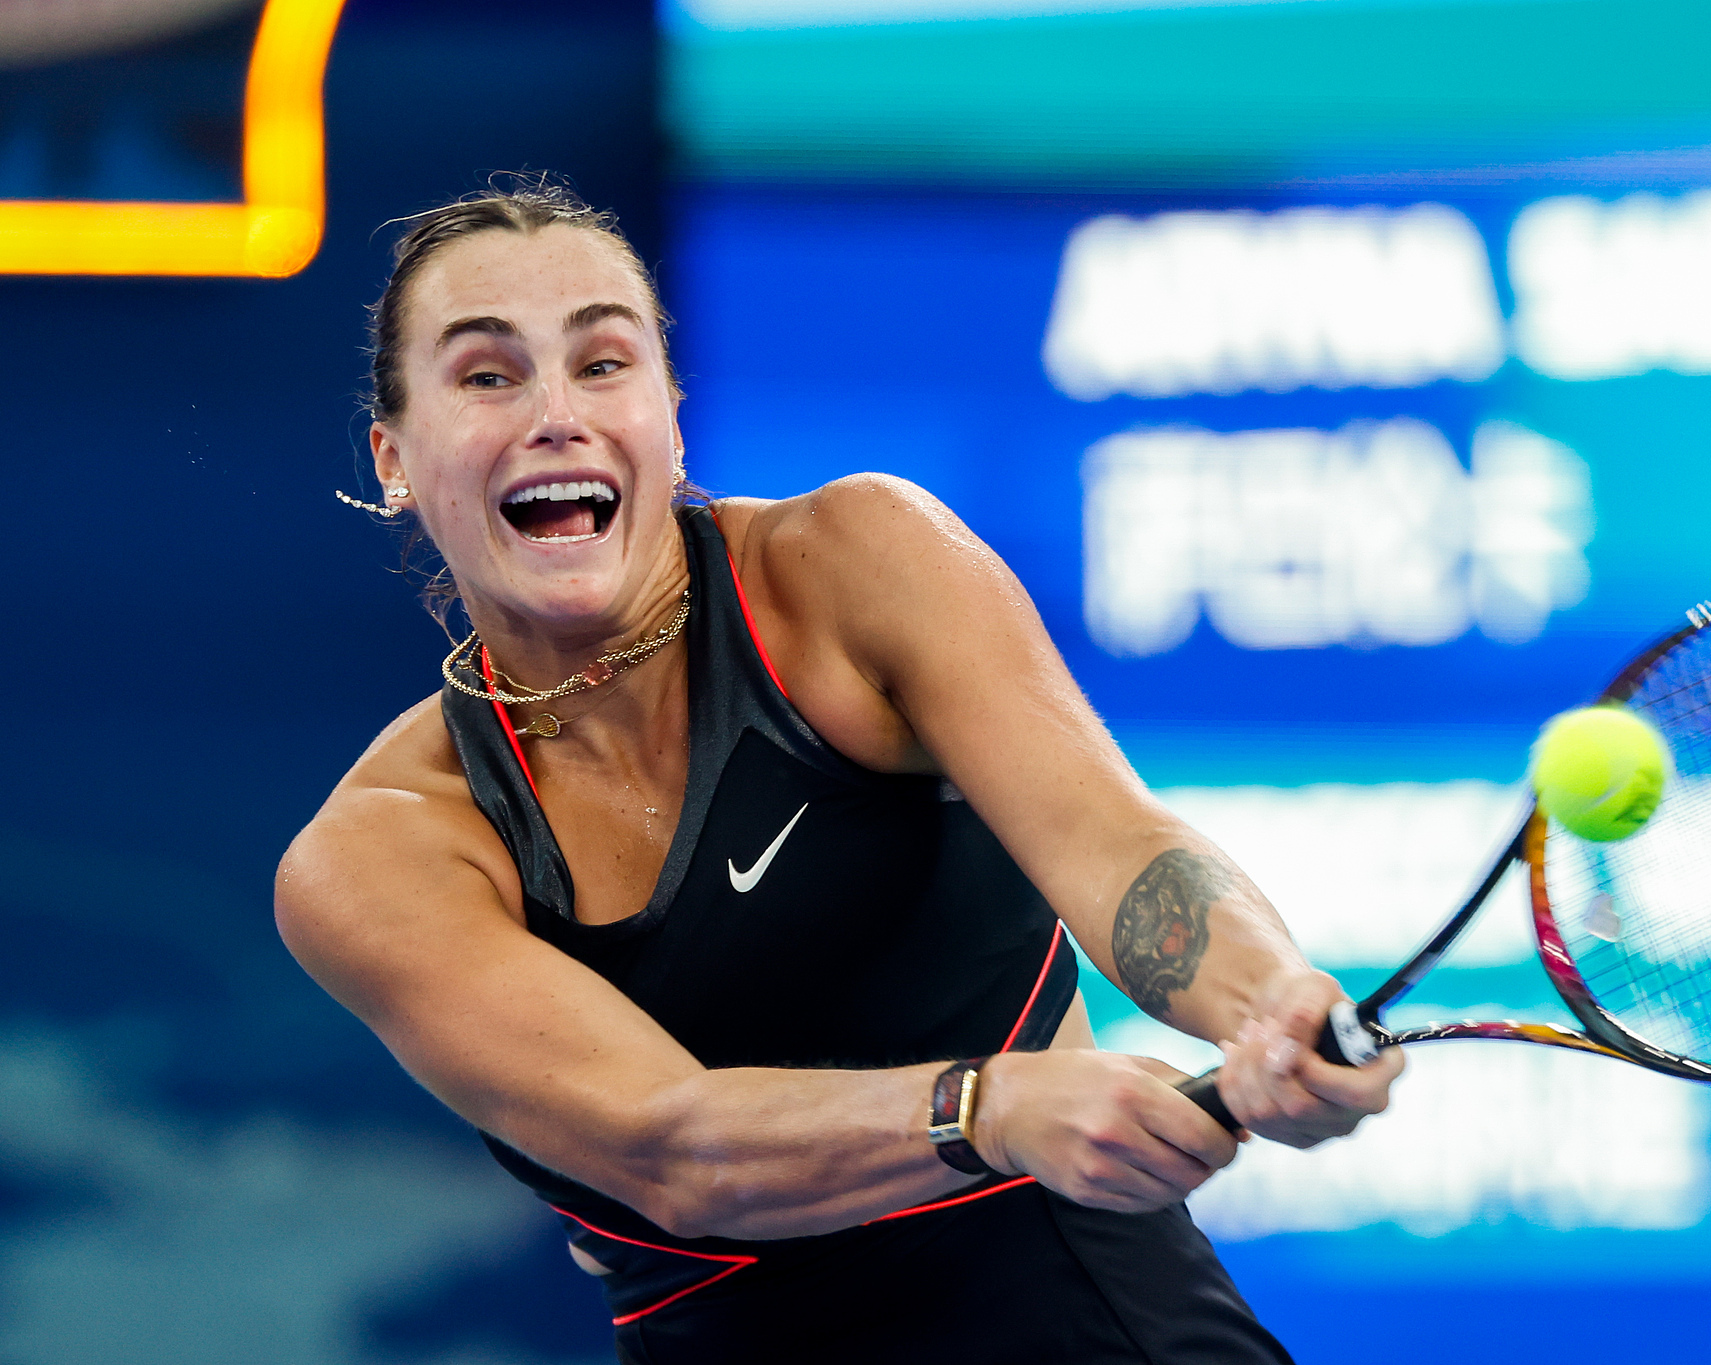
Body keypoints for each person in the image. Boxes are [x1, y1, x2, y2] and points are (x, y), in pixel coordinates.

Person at [277, 180, 1403, 1363]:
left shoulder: (856, 566)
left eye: (604, 363)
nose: (556, 413)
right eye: (488, 375)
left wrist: (1263, 998)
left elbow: (1112, 844)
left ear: (668, 413)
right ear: (393, 457)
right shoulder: (381, 856)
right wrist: (990, 1107)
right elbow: (673, 1146)